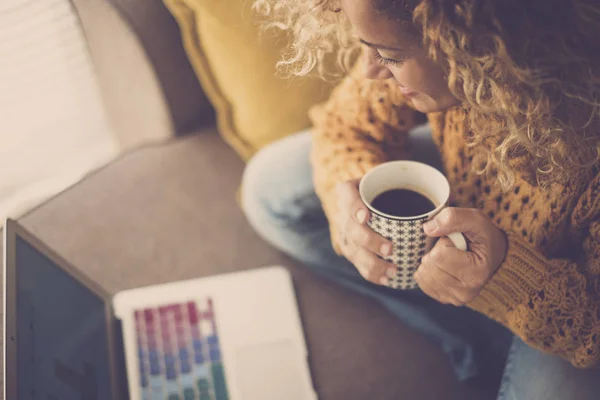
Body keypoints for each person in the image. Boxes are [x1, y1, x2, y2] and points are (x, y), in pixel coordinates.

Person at [242, 0, 600, 398]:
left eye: (390, 55)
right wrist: (347, 200)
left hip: (568, 294)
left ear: (475, 45)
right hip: (470, 200)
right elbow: (346, 126)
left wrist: (504, 274)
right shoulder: (424, 51)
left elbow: (593, 326)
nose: (370, 69)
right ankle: (476, 339)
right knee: (271, 189)